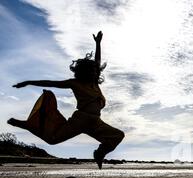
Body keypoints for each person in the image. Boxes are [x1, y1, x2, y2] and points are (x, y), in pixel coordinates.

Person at [8, 31, 124, 169]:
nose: (95, 72)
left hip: (96, 122)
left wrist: (98, 44)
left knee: (117, 135)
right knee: (52, 140)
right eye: (91, 70)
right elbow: (51, 83)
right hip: (80, 120)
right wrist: (29, 82)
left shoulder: (95, 83)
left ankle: (99, 153)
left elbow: (97, 63)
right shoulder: (75, 83)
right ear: (84, 72)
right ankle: (27, 124)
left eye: (95, 71)